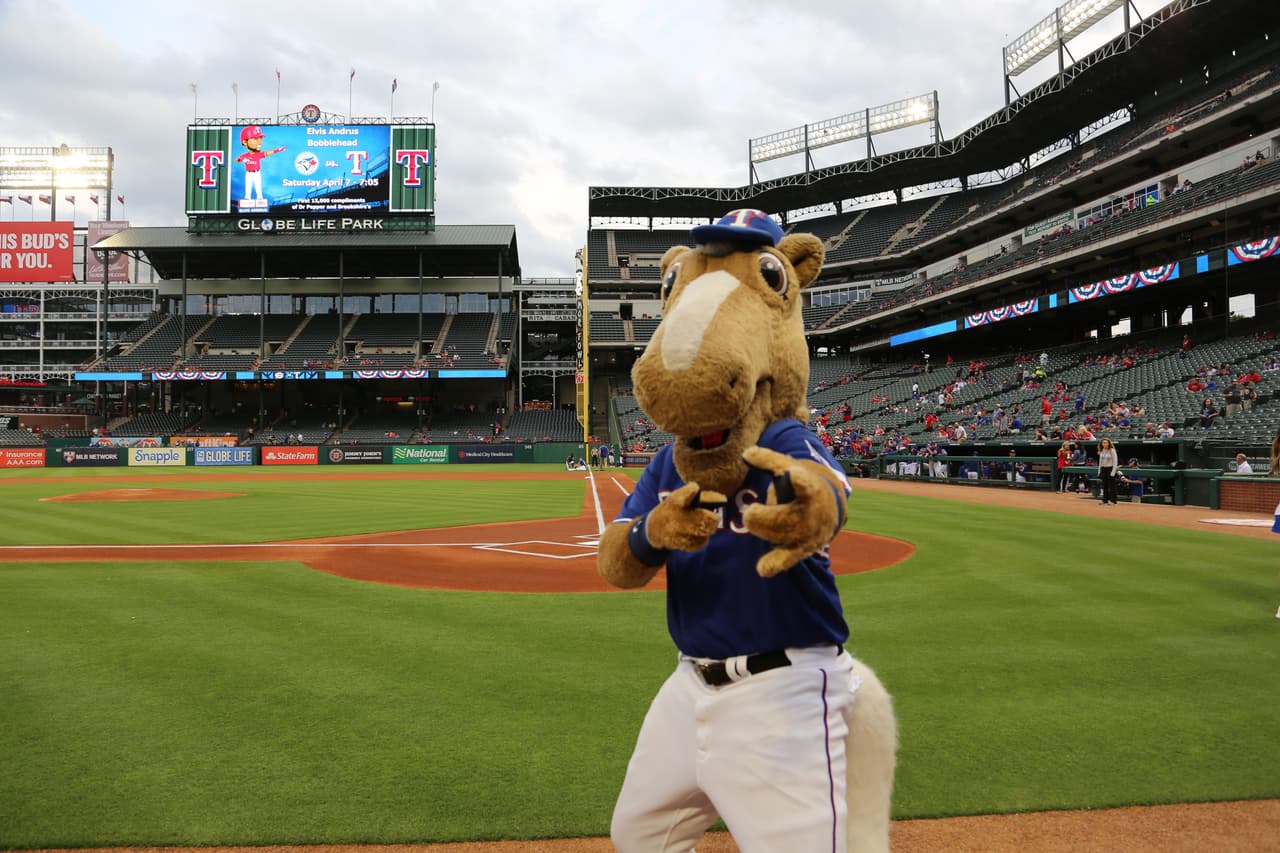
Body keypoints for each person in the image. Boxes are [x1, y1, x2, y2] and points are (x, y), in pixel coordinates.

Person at [1098, 437, 1120, 505]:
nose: (1104, 444)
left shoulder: (1112, 450)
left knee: (1111, 486)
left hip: (1110, 468)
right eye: (1103, 443)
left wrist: (1113, 471)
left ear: (1109, 443)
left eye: (1106, 443)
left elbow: (1115, 461)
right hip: (1103, 469)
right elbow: (1100, 462)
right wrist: (1099, 471)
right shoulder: (1102, 450)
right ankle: (1105, 500)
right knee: (1104, 485)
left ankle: (1113, 500)